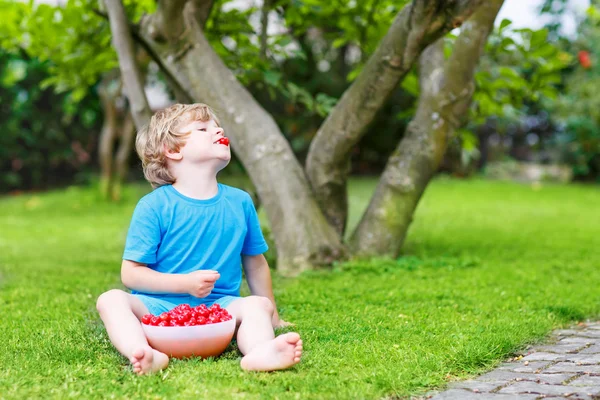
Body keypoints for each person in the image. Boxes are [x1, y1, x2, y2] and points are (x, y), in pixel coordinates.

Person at [96, 103, 302, 375]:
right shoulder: (154, 206)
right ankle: (145, 352)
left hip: (219, 308)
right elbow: (131, 275)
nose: (218, 131)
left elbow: (256, 263)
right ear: (173, 150)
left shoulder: (240, 202)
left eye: (218, 126)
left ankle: (260, 352)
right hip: (158, 308)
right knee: (110, 300)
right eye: (204, 129)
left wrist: (272, 315)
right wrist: (185, 284)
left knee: (257, 306)